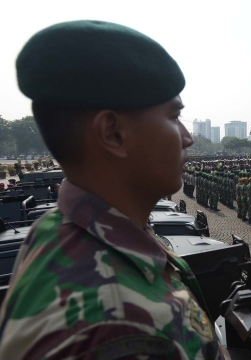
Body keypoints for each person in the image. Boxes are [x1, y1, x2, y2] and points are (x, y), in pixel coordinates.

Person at [0, 20, 222, 358]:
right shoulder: (118, 326)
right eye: (173, 116)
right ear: (113, 134)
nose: (187, 137)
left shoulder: (55, 229)